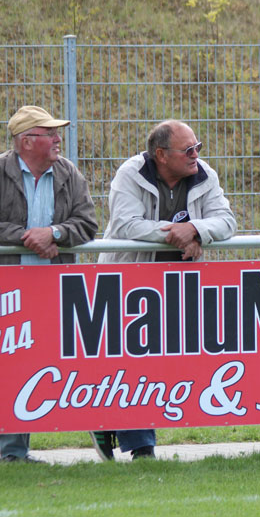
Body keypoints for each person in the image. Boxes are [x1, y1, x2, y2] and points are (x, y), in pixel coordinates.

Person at [92, 119, 237, 459]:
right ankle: (138, 443)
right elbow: (127, 223)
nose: (195, 155)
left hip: (176, 287)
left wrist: (198, 230)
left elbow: (226, 220)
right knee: (130, 363)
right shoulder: (130, 174)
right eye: (188, 150)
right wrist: (179, 232)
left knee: (157, 366)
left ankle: (112, 422)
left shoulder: (205, 175)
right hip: (126, 283)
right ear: (160, 154)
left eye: (197, 147)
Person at [0, 105, 98, 463]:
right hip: (4, 289)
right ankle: (14, 453)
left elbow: (86, 223)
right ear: (26, 141)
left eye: (57, 133)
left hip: (54, 288)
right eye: (50, 134)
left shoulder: (68, 173)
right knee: (13, 368)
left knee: (71, 361)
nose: (58, 140)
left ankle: (99, 428)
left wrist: (54, 232)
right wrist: (27, 237)